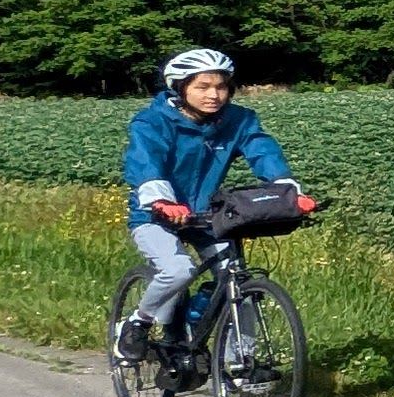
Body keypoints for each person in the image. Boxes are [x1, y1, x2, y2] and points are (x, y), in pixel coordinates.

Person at [114, 48, 310, 368]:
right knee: (178, 270)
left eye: (221, 87)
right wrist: (162, 200)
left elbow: (262, 151)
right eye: (202, 87)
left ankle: (239, 364)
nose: (214, 95)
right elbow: (146, 162)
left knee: (237, 281)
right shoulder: (152, 122)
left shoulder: (238, 120)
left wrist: (287, 189)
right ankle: (137, 323)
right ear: (180, 87)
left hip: (206, 215)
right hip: (154, 214)